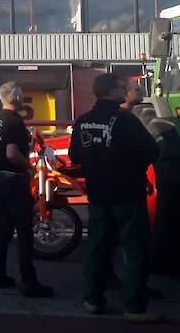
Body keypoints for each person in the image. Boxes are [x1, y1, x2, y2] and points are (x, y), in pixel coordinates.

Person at [70, 73, 162, 323]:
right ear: (111, 91)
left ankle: (93, 300)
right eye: (122, 87)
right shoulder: (125, 121)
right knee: (134, 251)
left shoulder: (83, 121)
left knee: (98, 248)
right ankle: (134, 306)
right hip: (128, 195)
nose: (125, 90)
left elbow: (75, 156)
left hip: (98, 196)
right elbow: (152, 151)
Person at [0, 82, 53, 297]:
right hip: (14, 180)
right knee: (24, 231)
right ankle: (29, 282)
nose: (23, 99)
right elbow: (12, 153)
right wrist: (30, 167)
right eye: (22, 95)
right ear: (16, 98)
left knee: (3, 228)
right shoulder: (15, 122)